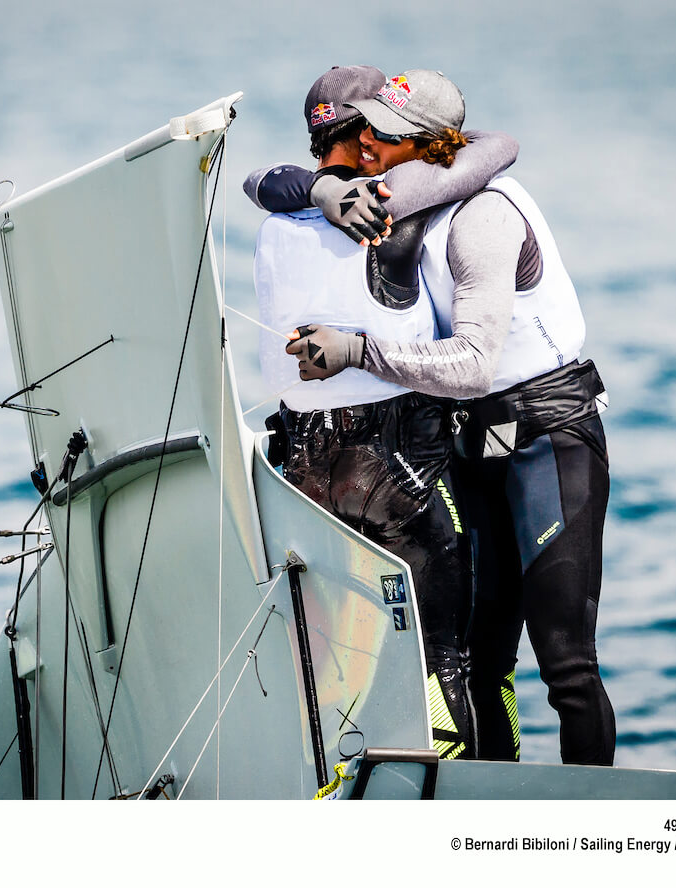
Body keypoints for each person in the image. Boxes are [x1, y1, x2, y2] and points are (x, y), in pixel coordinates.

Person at [285, 70, 616, 766]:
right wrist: (320, 189)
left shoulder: (482, 218)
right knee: (483, 654)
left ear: (425, 145)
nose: (364, 142)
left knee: (565, 662)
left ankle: (594, 816)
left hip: (549, 439)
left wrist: (355, 351)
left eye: (380, 132)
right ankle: (495, 793)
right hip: (475, 444)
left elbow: (470, 365)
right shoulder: (417, 203)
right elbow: (272, 180)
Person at [249, 65, 519, 763]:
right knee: (444, 654)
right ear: (363, 129)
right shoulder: (396, 201)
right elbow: (492, 148)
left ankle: (329, 783)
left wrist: (317, 186)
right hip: (401, 461)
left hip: (302, 467)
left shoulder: (277, 220)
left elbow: (260, 180)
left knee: (323, 665)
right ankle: (458, 795)